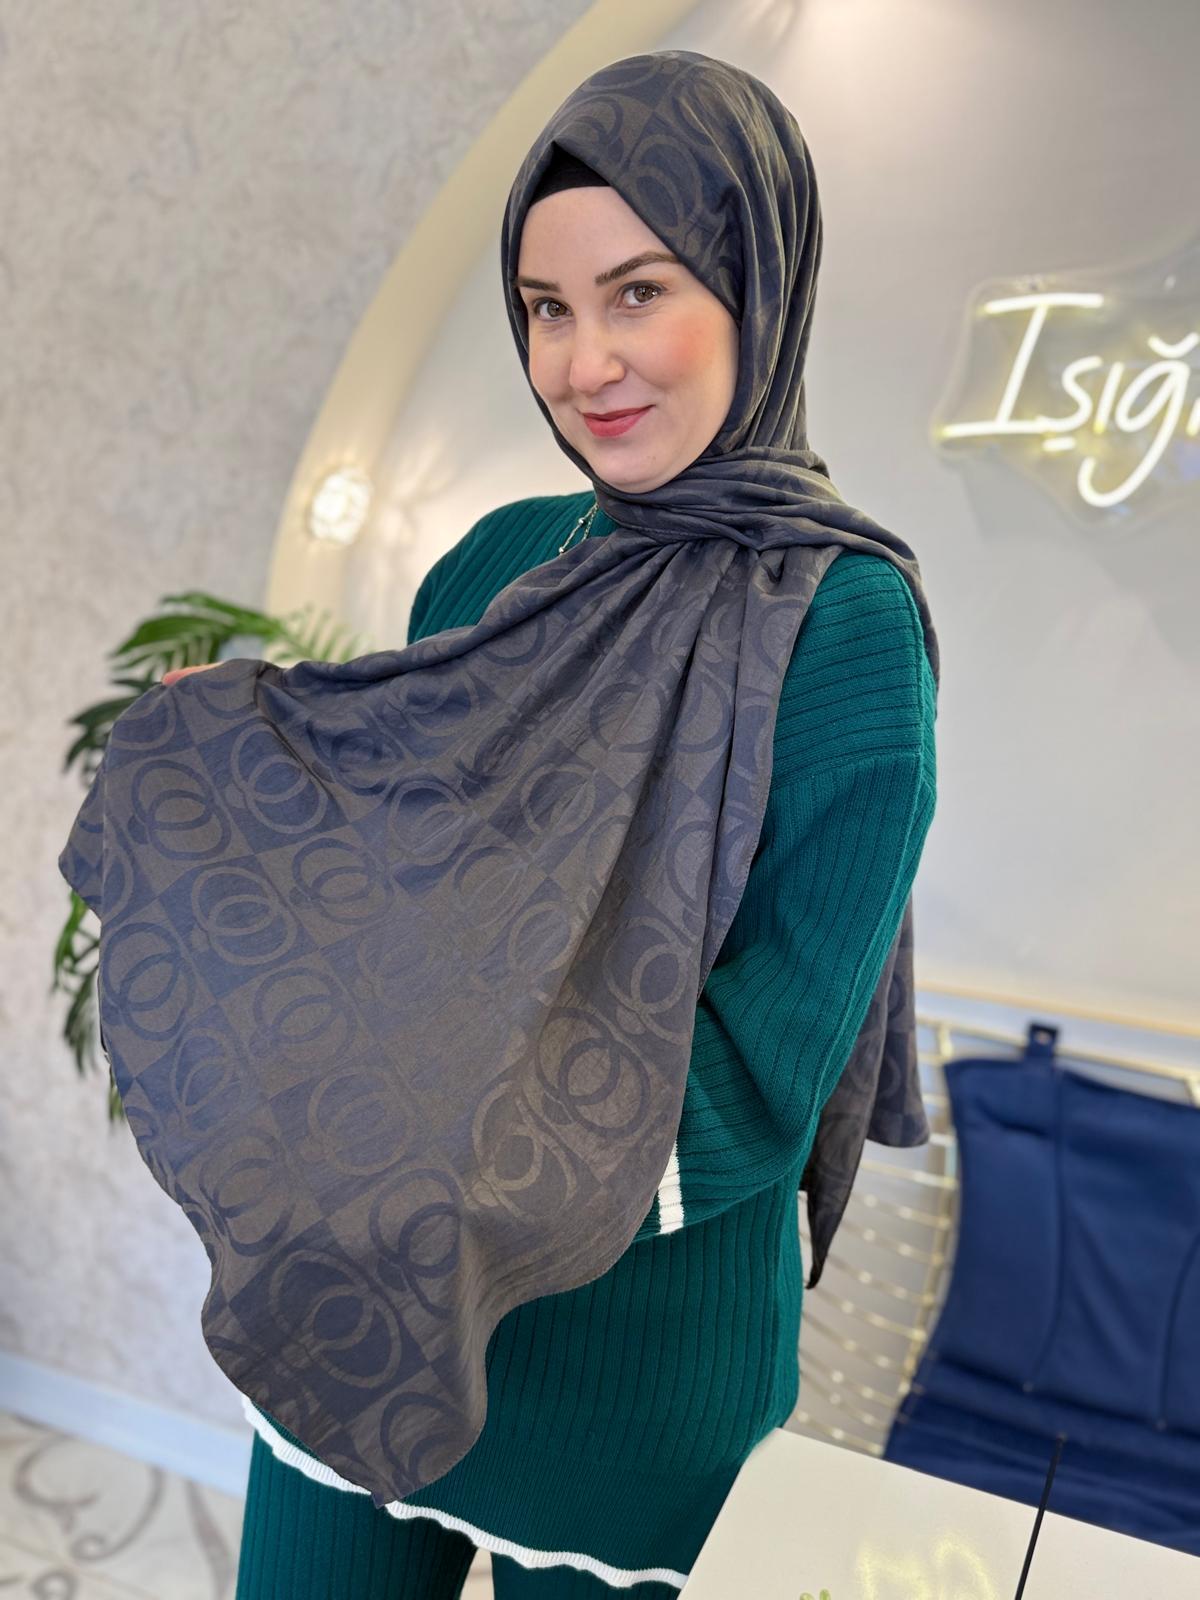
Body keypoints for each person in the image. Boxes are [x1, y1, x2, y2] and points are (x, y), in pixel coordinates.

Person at [176, 53, 938, 1600]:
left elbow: (760, 1065)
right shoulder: (492, 563)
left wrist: (466, 1163)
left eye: (638, 291)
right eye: (545, 307)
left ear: (756, 283)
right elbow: (408, 889)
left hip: (629, 1384)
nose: (586, 361)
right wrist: (258, 795)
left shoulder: (846, 631)